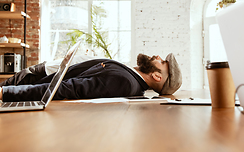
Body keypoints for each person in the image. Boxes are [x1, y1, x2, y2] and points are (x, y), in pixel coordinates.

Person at [0, 53, 182, 102]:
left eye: (162, 62)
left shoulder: (125, 82)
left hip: (32, 82)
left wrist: (5, 93)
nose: (158, 56)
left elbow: (66, 88)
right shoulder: (130, 76)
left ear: (157, 76)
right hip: (40, 76)